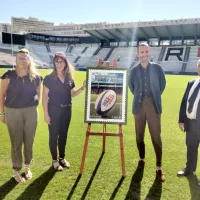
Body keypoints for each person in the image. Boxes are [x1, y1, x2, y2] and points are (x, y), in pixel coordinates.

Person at [0, 48, 42, 183]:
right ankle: (16, 171)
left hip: (31, 112)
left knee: (29, 141)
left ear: (29, 60)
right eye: (19, 58)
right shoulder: (8, 75)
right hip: (13, 112)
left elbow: (39, 96)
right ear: (16, 60)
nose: (21, 60)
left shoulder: (36, 77)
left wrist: (33, 108)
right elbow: (1, 94)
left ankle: (27, 166)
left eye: (24, 57)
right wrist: (2, 112)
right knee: (16, 143)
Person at [128, 43, 166, 182]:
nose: (144, 54)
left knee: (156, 137)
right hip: (138, 106)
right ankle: (142, 158)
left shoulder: (157, 68)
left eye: (146, 51)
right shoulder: (133, 71)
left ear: (149, 53)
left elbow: (162, 85)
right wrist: (140, 99)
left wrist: (153, 98)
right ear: (137, 54)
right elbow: (132, 87)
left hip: (153, 105)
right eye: (141, 52)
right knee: (139, 136)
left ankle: (159, 166)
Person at [42, 52, 86, 171]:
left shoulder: (69, 78)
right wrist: (46, 114)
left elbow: (72, 94)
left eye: (61, 61)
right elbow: (44, 97)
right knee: (53, 135)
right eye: (57, 61)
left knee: (63, 135)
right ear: (54, 63)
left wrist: (82, 88)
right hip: (53, 110)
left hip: (67, 110)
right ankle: (55, 160)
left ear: (65, 63)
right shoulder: (49, 78)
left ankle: (62, 158)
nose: (59, 63)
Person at [177, 60, 200, 177]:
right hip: (190, 123)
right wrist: (181, 119)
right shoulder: (191, 83)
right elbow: (184, 102)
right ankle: (189, 169)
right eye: (199, 66)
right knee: (191, 147)